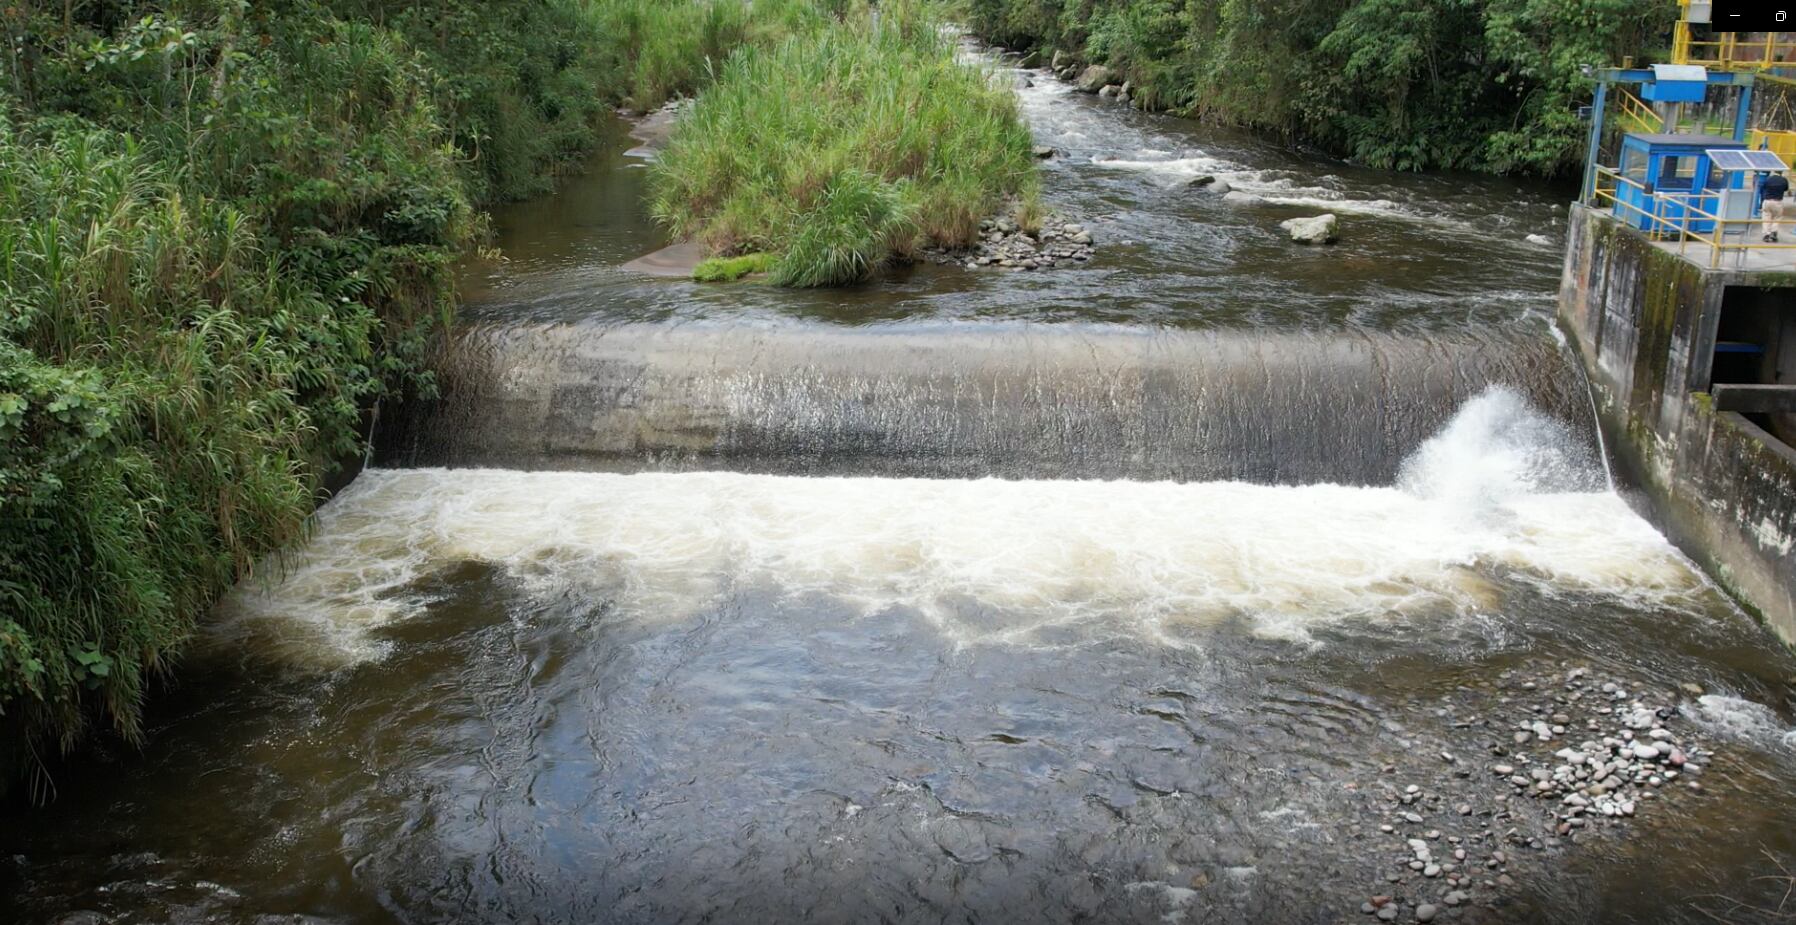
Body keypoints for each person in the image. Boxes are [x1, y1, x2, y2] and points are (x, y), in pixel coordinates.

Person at [1761, 169, 1790, 243]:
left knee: (1766, 217)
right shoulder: (1784, 180)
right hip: (1778, 202)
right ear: (1781, 172)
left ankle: (1766, 235)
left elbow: (1763, 187)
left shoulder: (1768, 179)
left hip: (1767, 201)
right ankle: (1774, 232)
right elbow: (1786, 189)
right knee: (1777, 217)